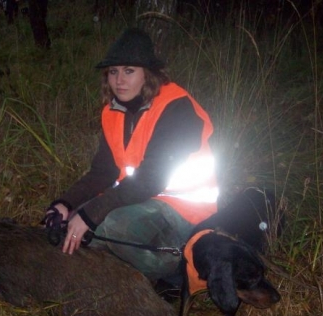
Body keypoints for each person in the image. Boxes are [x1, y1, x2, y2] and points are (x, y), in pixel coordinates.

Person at [44, 28, 219, 287]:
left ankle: (172, 272)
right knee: (73, 227)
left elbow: (151, 179)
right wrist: (65, 205)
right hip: (138, 199)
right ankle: (121, 264)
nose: (119, 81)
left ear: (148, 74)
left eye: (129, 71)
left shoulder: (176, 108)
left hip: (184, 209)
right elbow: (103, 172)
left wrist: (92, 215)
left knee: (112, 227)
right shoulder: (113, 111)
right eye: (113, 72)